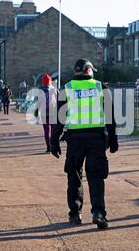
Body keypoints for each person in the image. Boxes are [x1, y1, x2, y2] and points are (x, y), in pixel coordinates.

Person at [50, 59, 119, 230]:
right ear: (89, 70)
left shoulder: (66, 88)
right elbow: (110, 116)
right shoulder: (100, 87)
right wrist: (114, 138)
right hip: (97, 137)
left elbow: (58, 119)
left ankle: (75, 214)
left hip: (75, 139)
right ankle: (98, 213)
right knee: (96, 176)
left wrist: (54, 141)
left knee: (74, 175)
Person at [35, 75, 58, 153]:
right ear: (50, 81)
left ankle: (49, 148)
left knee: (46, 131)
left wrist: (36, 111)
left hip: (44, 112)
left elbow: (39, 102)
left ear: (43, 81)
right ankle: (53, 146)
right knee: (53, 131)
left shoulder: (40, 90)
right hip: (53, 112)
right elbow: (59, 101)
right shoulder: (54, 89)